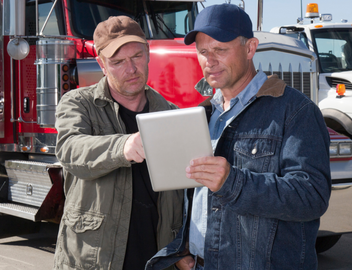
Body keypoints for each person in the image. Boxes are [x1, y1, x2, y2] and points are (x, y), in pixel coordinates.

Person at [146, 4, 331, 270]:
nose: (210, 60)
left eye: (220, 49)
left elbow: (311, 196)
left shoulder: (295, 111)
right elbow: (194, 199)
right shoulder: (202, 113)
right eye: (203, 52)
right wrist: (183, 248)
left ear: (250, 48)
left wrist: (233, 183)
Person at [53, 16, 183, 270]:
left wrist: (184, 247)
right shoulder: (78, 103)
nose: (131, 69)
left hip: (157, 261)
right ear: (101, 64)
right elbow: (70, 149)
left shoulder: (170, 113)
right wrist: (122, 147)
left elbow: (187, 194)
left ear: (148, 54)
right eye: (117, 62)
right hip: (94, 261)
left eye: (136, 57)